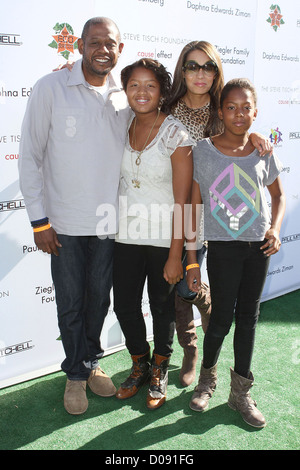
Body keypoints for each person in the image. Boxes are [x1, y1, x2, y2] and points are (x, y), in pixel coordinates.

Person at [18, 17, 131, 415]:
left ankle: (92, 362)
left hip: (109, 223)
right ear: (80, 45)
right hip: (62, 224)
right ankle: (75, 376)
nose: (103, 49)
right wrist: (39, 222)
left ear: (121, 48)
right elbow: (29, 157)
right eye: (95, 42)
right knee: (70, 302)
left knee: (99, 300)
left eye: (111, 43)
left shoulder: (127, 95)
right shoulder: (50, 88)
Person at [165, 41, 274, 387]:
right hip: (165, 212)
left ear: (216, 72)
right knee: (172, 290)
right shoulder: (166, 108)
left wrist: (257, 136)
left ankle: (200, 344)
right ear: (182, 70)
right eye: (192, 66)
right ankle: (189, 350)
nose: (200, 73)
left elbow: (239, 134)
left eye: (208, 66)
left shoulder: (222, 109)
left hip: (212, 221)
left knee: (187, 284)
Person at [186, 78, 285, 428]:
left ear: (255, 112)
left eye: (246, 107)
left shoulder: (264, 151)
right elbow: (192, 207)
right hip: (223, 250)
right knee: (221, 320)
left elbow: (279, 196)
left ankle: (240, 392)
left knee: (249, 319)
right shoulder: (202, 150)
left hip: (258, 248)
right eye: (231, 107)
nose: (238, 114)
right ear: (219, 111)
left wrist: (274, 229)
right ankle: (206, 381)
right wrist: (191, 258)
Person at [113, 58, 194, 409]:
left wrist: (177, 254)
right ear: (125, 90)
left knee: (161, 307)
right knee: (124, 306)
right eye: (134, 85)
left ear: (161, 91)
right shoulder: (121, 124)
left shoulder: (176, 133)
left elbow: (184, 200)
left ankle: (160, 366)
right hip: (125, 235)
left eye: (150, 85)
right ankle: (139, 362)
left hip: (164, 239)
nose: (141, 92)